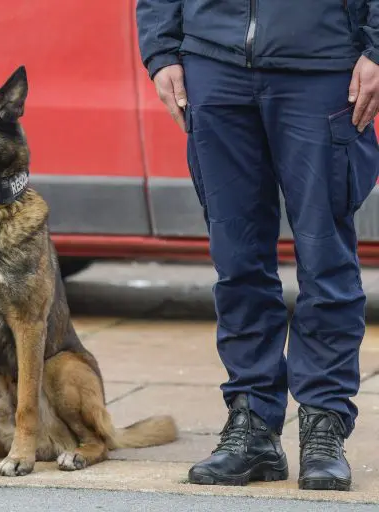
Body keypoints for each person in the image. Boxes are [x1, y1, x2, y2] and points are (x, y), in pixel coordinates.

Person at [137, 0, 379, 491]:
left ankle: (324, 424)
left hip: (322, 64)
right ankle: (252, 425)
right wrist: (160, 51)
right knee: (237, 262)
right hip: (214, 63)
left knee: (326, 261)